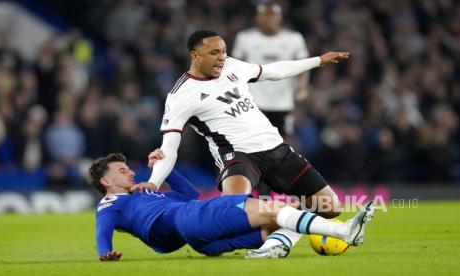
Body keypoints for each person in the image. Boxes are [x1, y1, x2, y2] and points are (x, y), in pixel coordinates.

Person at [145, 29, 349, 257]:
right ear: (195, 55)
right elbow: (169, 148)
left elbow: (273, 71)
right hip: (238, 156)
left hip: (276, 149)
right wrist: (153, 183)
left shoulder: (232, 66)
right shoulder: (181, 95)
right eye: (214, 52)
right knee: (233, 208)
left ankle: (281, 230)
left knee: (330, 207)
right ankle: (227, 241)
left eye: (223, 51)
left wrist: (318, 60)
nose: (221, 57)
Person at [89, 153, 375, 261]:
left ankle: (274, 247)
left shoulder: (147, 196)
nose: (130, 173)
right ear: (106, 181)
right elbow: (103, 229)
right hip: (192, 219)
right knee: (274, 207)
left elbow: (189, 192)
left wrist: (163, 171)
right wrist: (105, 252)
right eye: (122, 171)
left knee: (276, 221)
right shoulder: (113, 201)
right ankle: (342, 230)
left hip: (199, 240)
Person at [232, 1, 310, 197]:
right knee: (253, 147)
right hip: (253, 103)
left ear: (280, 17)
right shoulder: (245, 38)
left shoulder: (293, 38)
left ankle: (280, 188)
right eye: (265, 15)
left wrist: (302, 87)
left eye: (273, 15)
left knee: (282, 148)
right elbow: (234, 66)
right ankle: (260, 191)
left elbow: (302, 65)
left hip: (282, 103)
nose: (269, 19)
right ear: (258, 18)